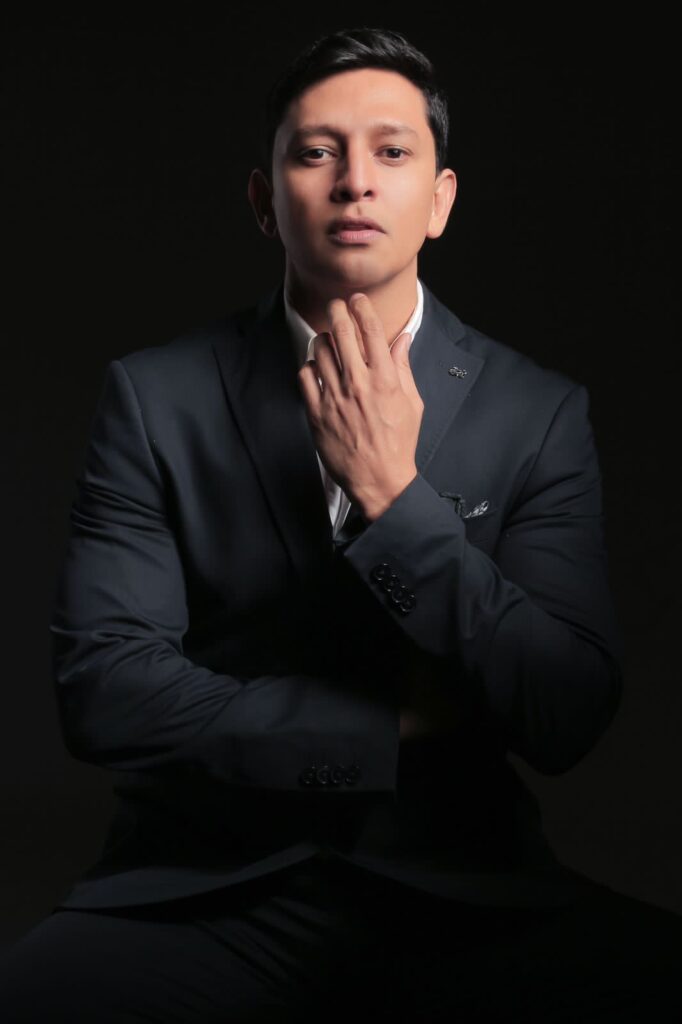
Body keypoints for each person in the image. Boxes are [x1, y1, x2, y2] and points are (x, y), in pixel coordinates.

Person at [1, 25, 680, 1023]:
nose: (354, 181)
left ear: (439, 200)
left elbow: (567, 705)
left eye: (391, 152)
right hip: (201, 890)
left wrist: (395, 499)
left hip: (464, 887)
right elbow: (104, 691)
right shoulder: (156, 398)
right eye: (316, 152)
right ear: (263, 201)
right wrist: (381, 730)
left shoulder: (537, 412)